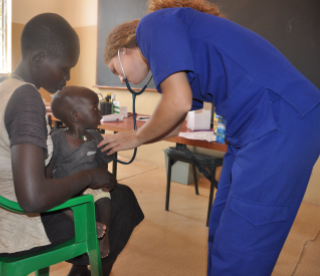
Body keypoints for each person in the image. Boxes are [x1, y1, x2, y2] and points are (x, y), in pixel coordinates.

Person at [99, 0, 320, 275]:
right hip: (249, 131)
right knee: (220, 229)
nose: (121, 80)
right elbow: (176, 122)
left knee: (243, 244)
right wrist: (136, 137)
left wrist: (137, 138)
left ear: (123, 51)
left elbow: (177, 103)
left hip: (280, 120)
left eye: (115, 69)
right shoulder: (179, 56)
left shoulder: (151, 26)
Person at [0, 13, 144, 276]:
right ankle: (83, 273)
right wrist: (89, 175)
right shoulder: (27, 99)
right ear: (38, 58)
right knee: (123, 200)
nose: (67, 77)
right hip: (12, 231)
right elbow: (34, 199)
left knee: (89, 195)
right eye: (64, 68)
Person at [47, 86, 114, 259]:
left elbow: (102, 166)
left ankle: (104, 235)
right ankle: (88, 223)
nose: (100, 112)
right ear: (75, 116)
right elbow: (48, 171)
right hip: (66, 187)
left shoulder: (95, 137)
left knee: (105, 199)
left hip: (90, 186)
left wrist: (105, 182)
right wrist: (51, 187)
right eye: (94, 108)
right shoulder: (57, 139)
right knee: (61, 202)